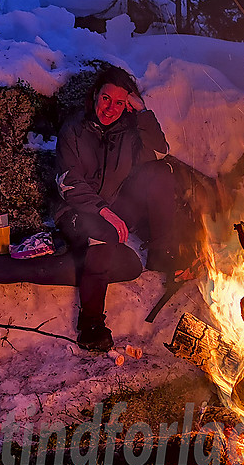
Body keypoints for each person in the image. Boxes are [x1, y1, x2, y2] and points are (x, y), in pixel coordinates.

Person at [54, 66, 189, 352]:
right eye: (106, 99)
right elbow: (68, 183)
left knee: (161, 172)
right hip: (77, 212)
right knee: (101, 231)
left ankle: (161, 254)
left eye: (119, 102)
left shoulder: (128, 131)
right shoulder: (74, 130)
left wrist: (141, 112)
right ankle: (90, 323)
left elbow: (161, 150)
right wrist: (103, 211)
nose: (110, 109)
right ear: (94, 96)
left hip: (114, 205)